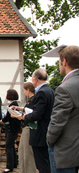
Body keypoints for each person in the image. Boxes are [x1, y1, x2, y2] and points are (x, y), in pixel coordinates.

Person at [46, 45, 79, 173]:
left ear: (64, 62)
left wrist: (49, 140)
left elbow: (57, 121)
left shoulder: (65, 88)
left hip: (65, 150)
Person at [16, 68, 54, 173]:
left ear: (35, 79)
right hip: (47, 131)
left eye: (32, 78)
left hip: (39, 133)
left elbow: (37, 114)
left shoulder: (41, 93)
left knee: (42, 165)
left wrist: (24, 117)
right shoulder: (50, 90)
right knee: (46, 162)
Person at [11, 82, 36, 173]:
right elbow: (26, 109)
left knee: (27, 154)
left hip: (29, 127)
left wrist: (16, 116)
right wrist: (17, 108)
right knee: (22, 152)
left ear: (28, 90)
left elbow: (30, 114)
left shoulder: (33, 100)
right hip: (25, 127)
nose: (24, 92)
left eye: (24, 90)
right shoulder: (30, 100)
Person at [0, 89, 21, 173]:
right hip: (12, 127)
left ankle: (9, 166)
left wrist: (2, 120)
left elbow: (9, 115)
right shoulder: (13, 103)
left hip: (12, 128)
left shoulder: (13, 104)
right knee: (11, 145)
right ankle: (14, 163)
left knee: (8, 146)